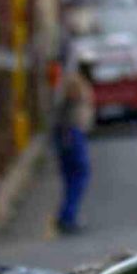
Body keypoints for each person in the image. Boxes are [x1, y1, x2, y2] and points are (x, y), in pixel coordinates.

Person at [54, 65, 95, 235]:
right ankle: (68, 216)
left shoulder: (68, 83)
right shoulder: (73, 83)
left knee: (72, 177)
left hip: (69, 134)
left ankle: (67, 215)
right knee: (79, 174)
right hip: (72, 135)